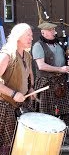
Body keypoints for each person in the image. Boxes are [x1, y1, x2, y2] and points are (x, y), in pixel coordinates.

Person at [32, 21, 69, 146]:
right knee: (46, 111)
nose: (54, 32)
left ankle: (63, 135)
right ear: (43, 32)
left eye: (54, 30)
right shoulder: (38, 46)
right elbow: (41, 66)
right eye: (51, 30)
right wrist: (60, 69)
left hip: (61, 83)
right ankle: (47, 137)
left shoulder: (60, 43)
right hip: (46, 83)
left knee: (65, 110)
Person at [0, 23, 35, 154]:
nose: (31, 38)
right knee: (7, 145)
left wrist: (31, 88)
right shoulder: (7, 55)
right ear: (18, 36)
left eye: (31, 35)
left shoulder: (27, 55)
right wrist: (13, 93)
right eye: (28, 35)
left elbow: (29, 75)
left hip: (20, 105)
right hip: (4, 105)